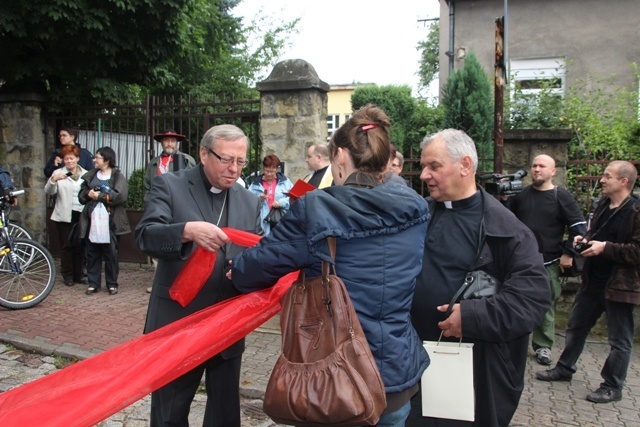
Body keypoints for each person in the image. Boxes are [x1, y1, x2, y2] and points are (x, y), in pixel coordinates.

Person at [231, 105, 430, 426]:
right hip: (396, 377)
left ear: (339, 157)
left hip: (337, 381)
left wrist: (234, 270)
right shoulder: (416, 207)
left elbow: (255, 268)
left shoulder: (316, 208)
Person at [407, 129, 550, 427]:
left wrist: (472, 317)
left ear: (465, 165)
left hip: (472, 371)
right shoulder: (417, 217)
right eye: (424, 166)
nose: (423, 175)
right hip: (412, 361)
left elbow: (531, 299)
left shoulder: (508, 230)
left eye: (434, 166)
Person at [135, 124, 261, 427]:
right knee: (169, 414)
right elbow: (145, 236)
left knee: (224, 415)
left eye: (241, 162)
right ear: (204, 154)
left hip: (227, 322)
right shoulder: (169, 185)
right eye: (226, 159)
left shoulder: (250, 201)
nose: (233, 169)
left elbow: (255, 252)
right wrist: (185, 231)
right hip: (178, 321)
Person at [536, 160, 640, 404]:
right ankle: (564, 368)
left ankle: (612, 386)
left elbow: (637, 251)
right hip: (592, 281)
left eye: (607, 176)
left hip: (620, 286)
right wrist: (585, 239)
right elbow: (597, 234)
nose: (602, 180)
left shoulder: (636, 211)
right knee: (576, 327)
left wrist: (606, 248)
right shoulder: (604, 204)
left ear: (623, 181)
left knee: (619, 340)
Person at [503, 154, 587, 365]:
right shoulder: (521, 196)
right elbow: (503, 219)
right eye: (534, 165)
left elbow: (579, 228)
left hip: (548, 262)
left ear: (553, 171)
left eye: (542, 166)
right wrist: (503, 198)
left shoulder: (561, 196)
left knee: (545, 306)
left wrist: (569, 252)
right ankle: (512, 342)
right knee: (513, 302)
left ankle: (543, 347)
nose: (537, 169)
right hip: (519, 261)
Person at [78, 147, 130, 296]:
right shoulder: (90, 175)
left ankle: (112, 283)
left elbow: (120, 196)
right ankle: (93, 283)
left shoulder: (117, 176)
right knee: (92, 252)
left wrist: (99, 196)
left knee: (111, 254)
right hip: (92, 219)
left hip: (110, 221)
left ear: (106, 160)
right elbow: (81, 196)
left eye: (98, 158)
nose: (94, 160)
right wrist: (88, 194)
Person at [44, 145, 89, 286]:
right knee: (67, 245)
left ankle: (79, 274)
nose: (69, 161)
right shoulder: (58, 172)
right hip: (64, 213)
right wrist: (54, 180)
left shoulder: (86, 173)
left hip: (81, 212)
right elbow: (49, 191)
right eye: (66, 159)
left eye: (72, 158)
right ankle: (67, 275)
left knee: (80, 245)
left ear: (77, 159)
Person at [143, 129, 196, 203]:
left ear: (177, 143)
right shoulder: (153, 163)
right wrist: (150, 202)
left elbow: (193, 183)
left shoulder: (186, 160)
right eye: (166, 140)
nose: (169, 144)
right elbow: (147, 185)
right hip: (158, 205)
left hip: (179, 205)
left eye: (173, 141)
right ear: (162, 142)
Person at [247, 154, 293, 235]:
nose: (269, 174)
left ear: (277, 169)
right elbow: (247, 203)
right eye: (266, 171)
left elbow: (293, 199)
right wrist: (259, 199)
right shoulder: (255, 184)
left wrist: (280, 203)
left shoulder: (285, 182)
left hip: (280, 221)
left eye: (272, 171)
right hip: (262, 222)